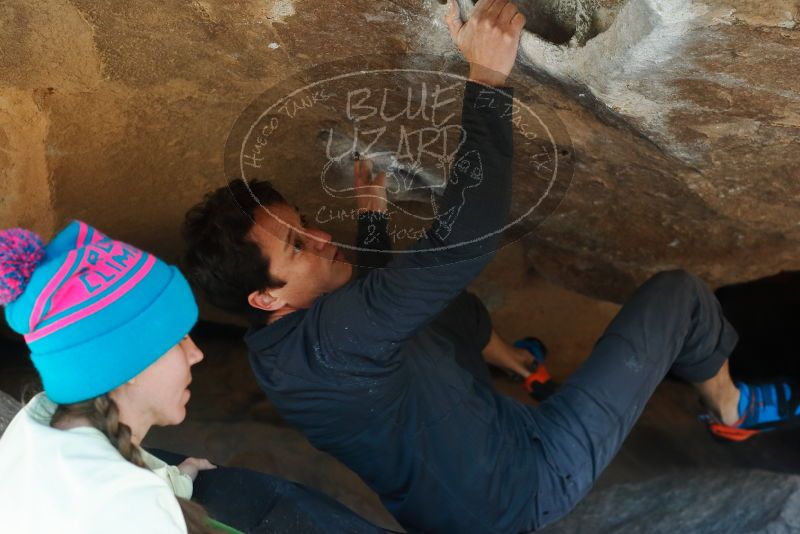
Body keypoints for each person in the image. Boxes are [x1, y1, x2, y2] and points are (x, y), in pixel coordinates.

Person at [182, 0, 800, 531]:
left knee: (443, 313)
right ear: (266, 298)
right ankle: (732, 411)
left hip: (466, 480)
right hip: (524, 485)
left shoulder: (294, 339)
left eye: (304, 222)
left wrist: (372, 217)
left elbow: (381, 303)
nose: (320, 237)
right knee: (679, 296)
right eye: (297, 246)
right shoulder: (329, 347)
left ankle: (515, 362)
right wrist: (485, 80)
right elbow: (465, 238)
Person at [0, 221, 390, 534]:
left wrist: (171, 481)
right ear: (128, 368)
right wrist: (158, 498)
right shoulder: (131, 511)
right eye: (178, 339)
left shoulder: (38, 419)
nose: (197, 352)